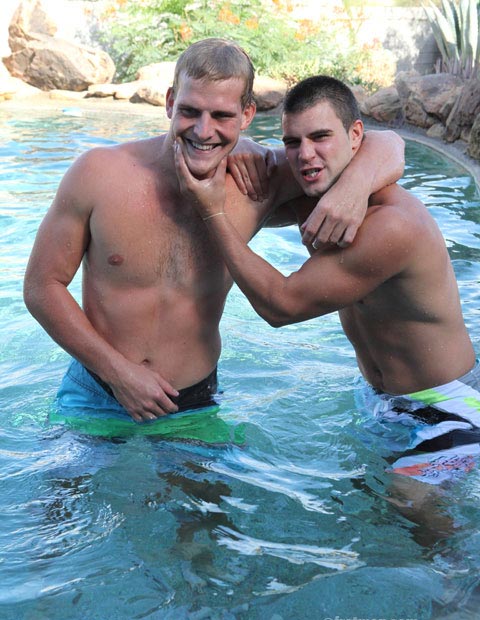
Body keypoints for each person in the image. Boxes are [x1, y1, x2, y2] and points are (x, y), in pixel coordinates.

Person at [23, 40, 404, 428]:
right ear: (170, 102)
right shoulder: (98, 173)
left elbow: (387, 144)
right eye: (190, 111)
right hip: (97, 389)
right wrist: (118, 373)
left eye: (222, 115)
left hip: (193, 402)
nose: (203, 131)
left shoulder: (258, 179)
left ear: (247, 114)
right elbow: (41, 286)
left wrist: (354, 187)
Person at [175, 73, 480, 484]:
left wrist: (212, 211)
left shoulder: (392, 226)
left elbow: (281, 306)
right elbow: (384, 144)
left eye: (321, 137)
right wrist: (238, 147)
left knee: (413, 512)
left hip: (446, 406)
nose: (305, 155)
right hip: (378, 397)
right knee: (371, 507)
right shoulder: (315, 187)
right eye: (292, 142)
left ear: (355, 136)